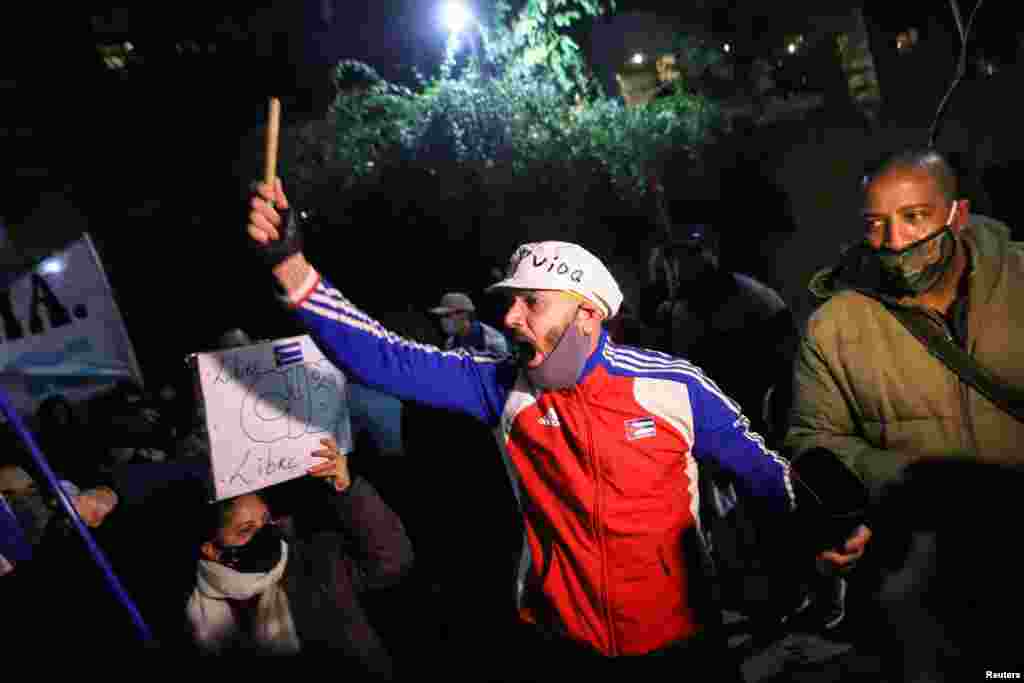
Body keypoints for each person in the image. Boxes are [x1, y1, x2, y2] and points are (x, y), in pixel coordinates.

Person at [246, 179, 869, 679]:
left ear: (589, 315)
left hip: (682, 644)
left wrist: (822, 527)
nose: (511, 317)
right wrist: (293, 268)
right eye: (509, 302)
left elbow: (762, 471)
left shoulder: (673, 386)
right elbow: (384, 357)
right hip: (564, 645)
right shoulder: (499, 385)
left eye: (532, 302)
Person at [785, 147, 1024, 675]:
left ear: (957, 215)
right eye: (876, 224)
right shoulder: (834, 326)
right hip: (925, 581)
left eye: (914, 217)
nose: (894, 241)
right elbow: (814, 438)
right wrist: (857, 509)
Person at [186, 437, 413, 673]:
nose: (264, 533)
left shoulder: (315, 560)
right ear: (211, 549)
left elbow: (393, 562)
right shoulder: (193, 616)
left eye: (266, 521)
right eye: (246, 529)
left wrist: (348, 491)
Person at [429, 291, 509, 354]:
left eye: (447, 315)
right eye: (441, 316)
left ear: (464, 314)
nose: (443, 320)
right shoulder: (450, 342)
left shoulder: (493, 339)